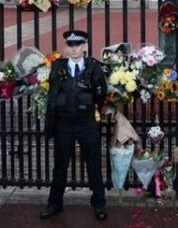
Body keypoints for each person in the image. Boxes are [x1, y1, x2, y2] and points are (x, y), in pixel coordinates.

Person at [41, 30, 107, 221]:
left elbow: (101, 95)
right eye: (70, 45)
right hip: (64, 124)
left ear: (85, 46)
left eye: (78, 44)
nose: (74, 48)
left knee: (93, 164)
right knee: (60, 165)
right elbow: (52, 93)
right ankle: (55, 203)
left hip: (86, 123)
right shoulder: (57, 67)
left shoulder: (94, 68)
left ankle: (99, 203)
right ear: (66, 48)